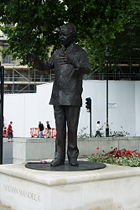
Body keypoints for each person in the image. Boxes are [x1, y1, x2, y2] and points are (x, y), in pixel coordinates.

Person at [29, 23, 90, 166]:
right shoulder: (56, 53)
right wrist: (36, 61)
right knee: (60, 129)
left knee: (72, 129)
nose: (61, 37)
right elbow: (46, 66)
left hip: (73, 95)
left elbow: (86, 69)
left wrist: (73, 61)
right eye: (60, 34)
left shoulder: (80, 52)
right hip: (57, 96)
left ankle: (73, 155)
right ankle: (59, 156)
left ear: (72, 37)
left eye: (64, 35)